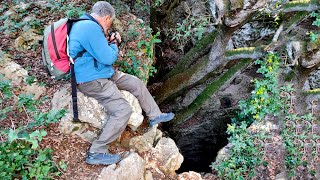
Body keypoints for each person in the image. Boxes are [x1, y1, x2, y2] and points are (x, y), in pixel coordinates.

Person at [68, 1, 174, 165]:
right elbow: (108, 57)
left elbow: (99, 52)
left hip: (102, 72)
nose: (108, 26)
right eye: (109, 23)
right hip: (91, 79)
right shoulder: (89, 28)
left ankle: (154, 115)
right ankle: (96, 151)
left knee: (135, 82)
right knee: (123, 110)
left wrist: (109, 43)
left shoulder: (87, 25)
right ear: (107, 17)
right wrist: (115, 44)